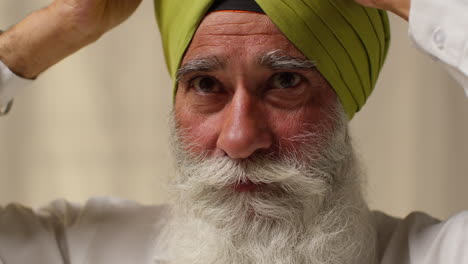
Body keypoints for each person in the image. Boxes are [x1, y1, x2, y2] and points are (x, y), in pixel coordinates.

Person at [0, 0, 467, 264]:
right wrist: (46, 34)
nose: (240, 139)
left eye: (285, 82)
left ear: (346, 100)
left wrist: (428, 7)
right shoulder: (79, 250)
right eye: (206, 85)